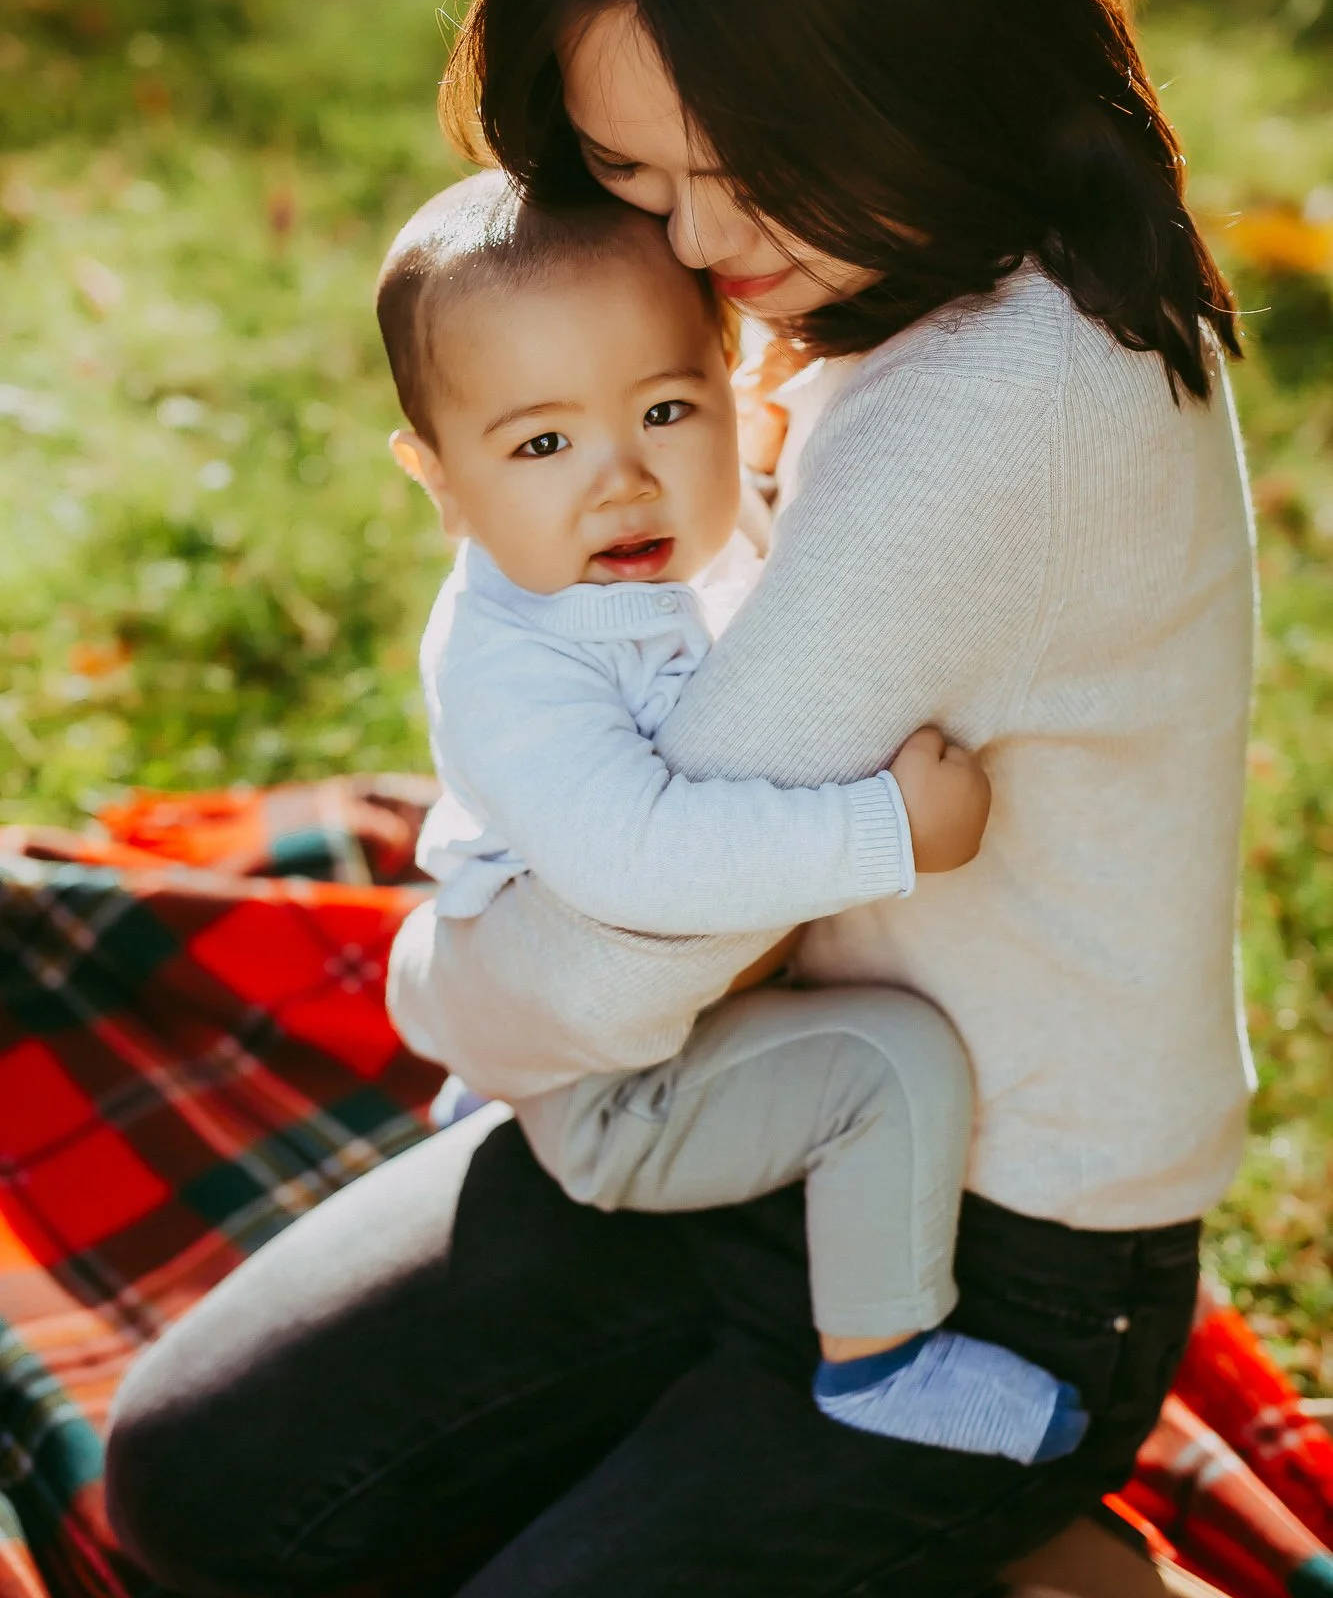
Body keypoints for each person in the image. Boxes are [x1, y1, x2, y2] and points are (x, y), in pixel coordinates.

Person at [105, 0, 1272, 1598]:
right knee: (197, 1478)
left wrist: (445, 971)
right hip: (747, 1113)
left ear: (920, 51)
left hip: (991, 1246)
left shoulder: (997, 421)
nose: (700, 247)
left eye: (752, 164)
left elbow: (618, 942)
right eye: (636, 174)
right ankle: (877, 1541)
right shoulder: (874, 263)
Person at [377, 167, 1085, 1466]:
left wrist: (755, 473)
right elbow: (637, 858)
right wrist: (887, 830)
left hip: (621, 1012)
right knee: (890, 1064)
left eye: (663, 408)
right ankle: (882, 1356)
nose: (622, 480)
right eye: (541, 443)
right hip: (613, 1090)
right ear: (437, 481)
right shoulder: (511, 664)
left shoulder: (677, 540)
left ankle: (487, 1085)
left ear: (734, 388)